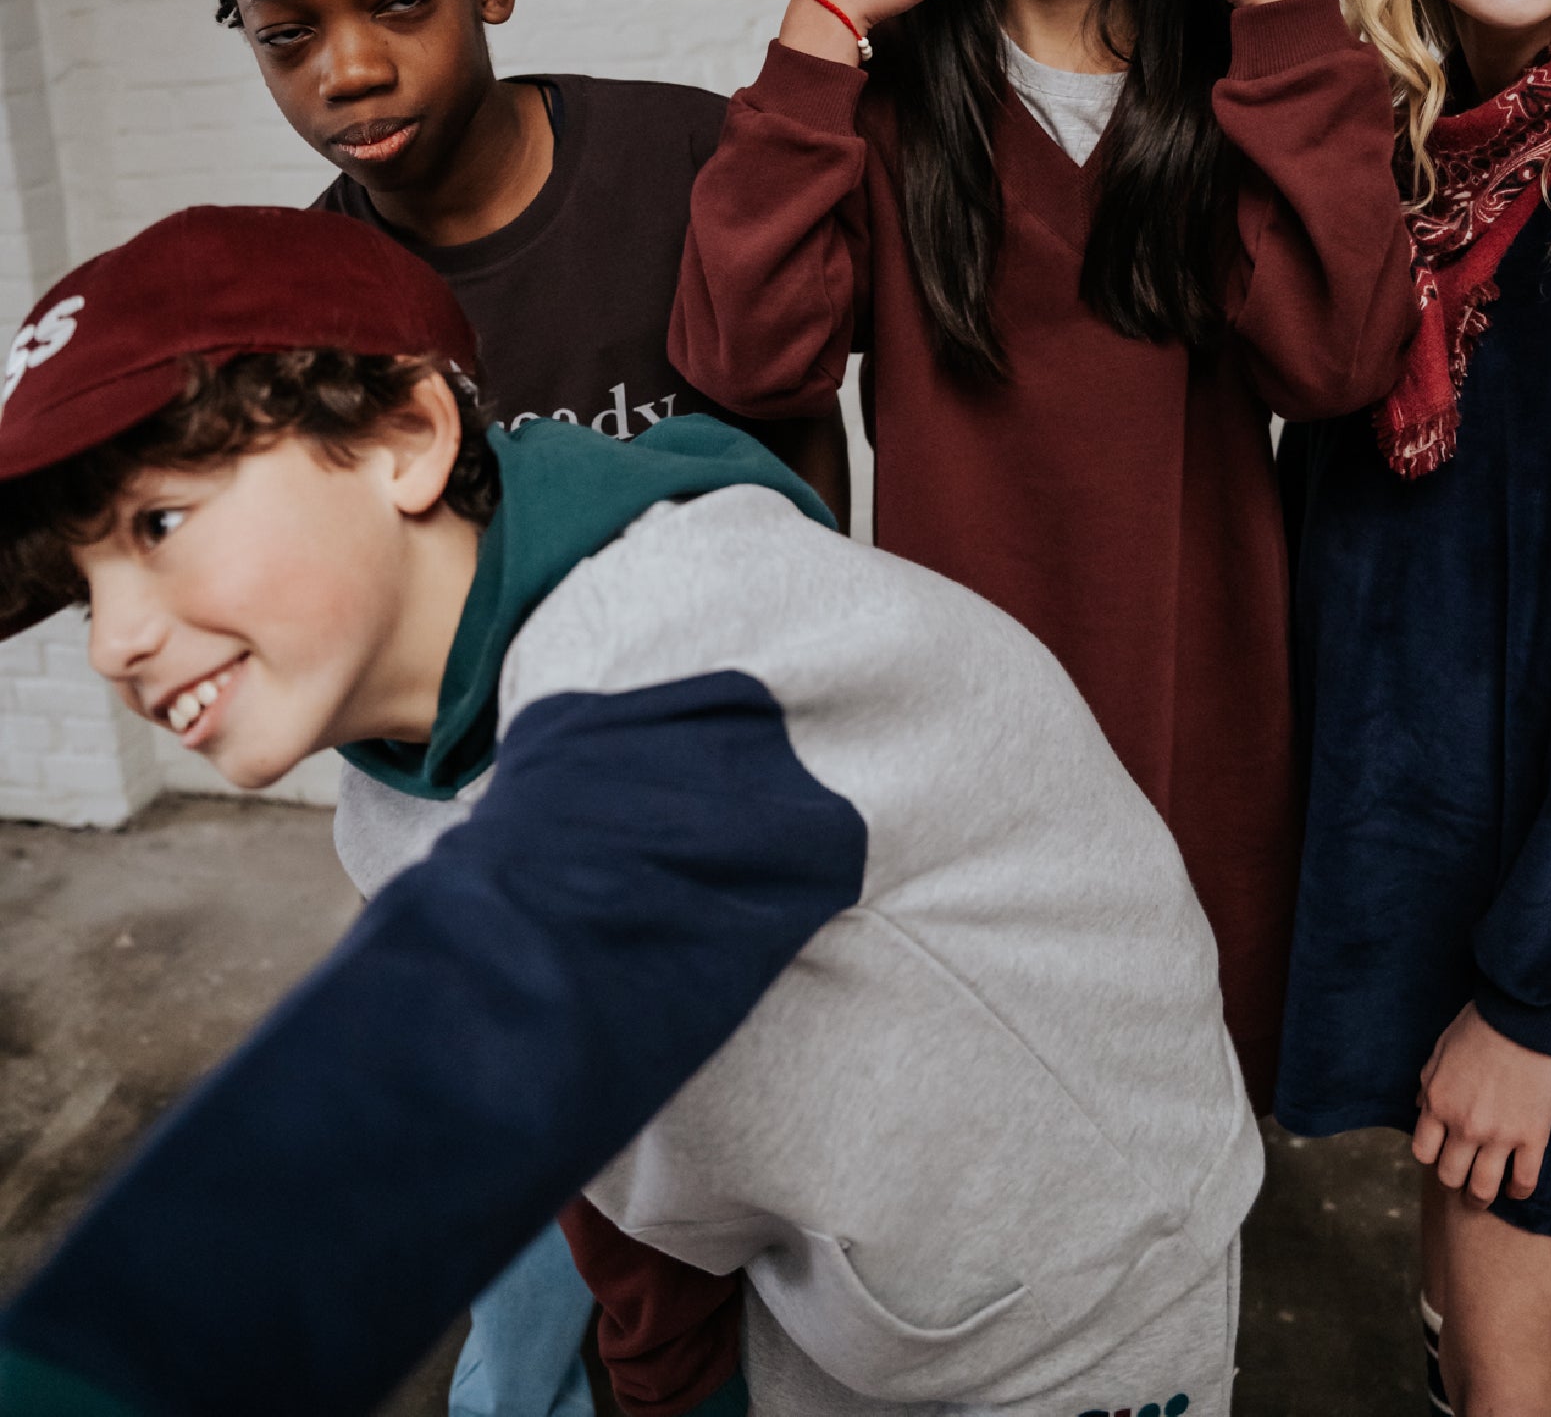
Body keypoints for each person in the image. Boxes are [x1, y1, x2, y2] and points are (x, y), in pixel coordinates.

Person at [0, 204, 1261, 1417]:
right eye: (81, 581)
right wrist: (674, 1375)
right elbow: (599, 1113)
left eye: (159, 522)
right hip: (837, 1294)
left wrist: (96, 1375)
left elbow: (490, 1007)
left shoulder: (698, 626)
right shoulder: (391, 796)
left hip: (1082, 1278)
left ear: (407, 437)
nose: (112, 641)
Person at [669, 0, 1419, 1103]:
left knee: (1189, 1136)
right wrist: (820, 22)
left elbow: (1338, 360)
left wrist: (1288, 11)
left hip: (1212, 736)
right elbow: (748, 356)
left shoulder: (1253, 90)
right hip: (965, 749)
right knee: (1000, 1127)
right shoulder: (878, 118)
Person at [181, 0, 849, 1417]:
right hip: (515, 901)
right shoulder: (310, 312)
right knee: (541, 1332)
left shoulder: (688, 159)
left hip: (750, 823)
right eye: (286, 34)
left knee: (795, 1284)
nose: (346, 67)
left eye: (396, 1)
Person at [1273, 0, 1551, 1417]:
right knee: (1456, 1326)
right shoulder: (1409, 166)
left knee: (1512, 1365)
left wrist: (1537, 998)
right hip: (1450, 870)